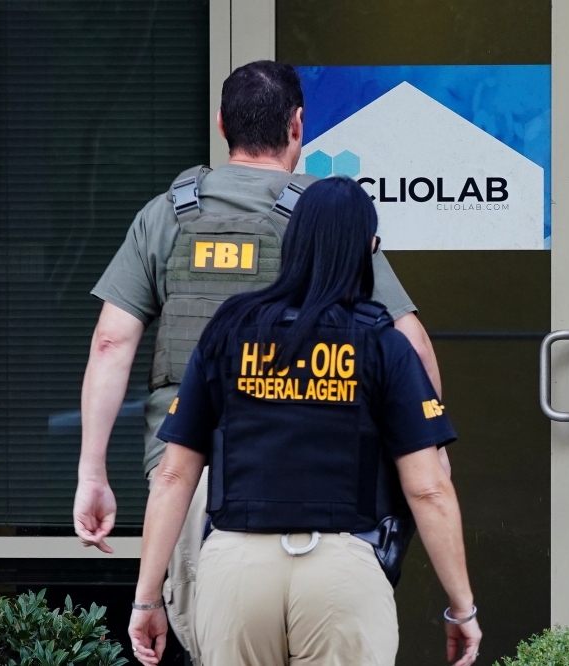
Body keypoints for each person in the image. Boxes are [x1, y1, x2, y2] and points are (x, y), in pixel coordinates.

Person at [73, 60, 446, 664]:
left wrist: (93, 472)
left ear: (223, 125)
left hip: (182, 471)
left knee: (219, 642)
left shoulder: (167, 214)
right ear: (298, 125)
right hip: (309, 473)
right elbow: (412, 342)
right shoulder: (323, 215)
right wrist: (428, 456)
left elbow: (111, 343)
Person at [127, 177, 481, 666]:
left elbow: (173, 475)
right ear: (369, 249)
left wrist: (147, 598)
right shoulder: (382, 343)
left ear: (290, 245)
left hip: (235, 569)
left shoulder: (229, 330)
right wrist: (461, 607)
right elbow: (428, 489)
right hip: (341, 572)